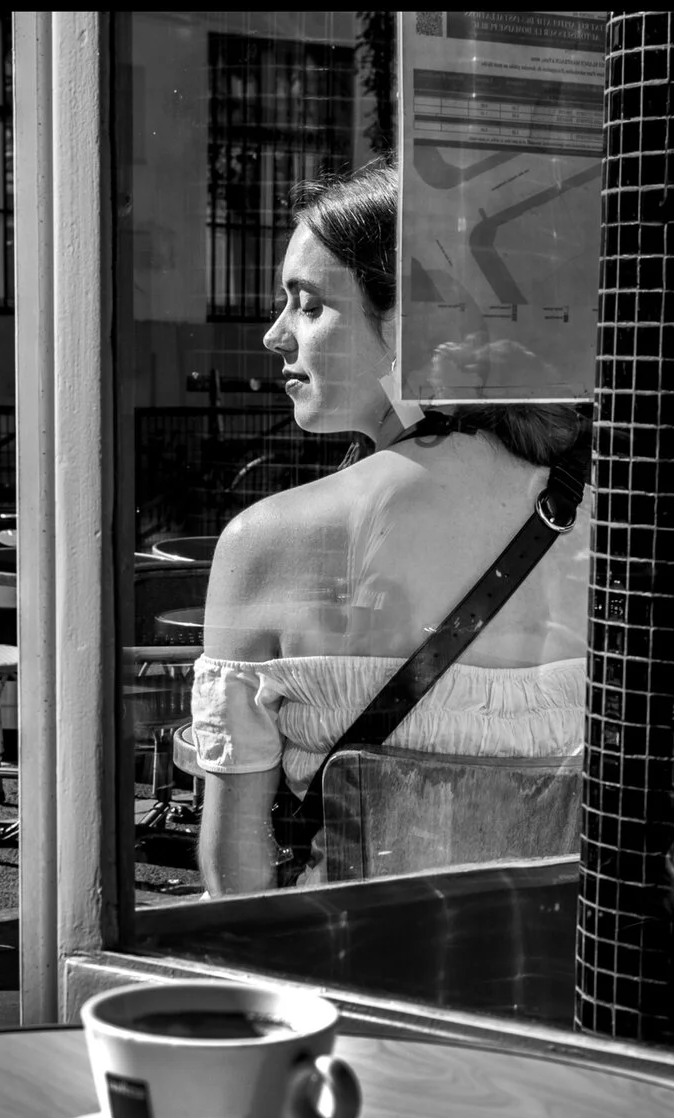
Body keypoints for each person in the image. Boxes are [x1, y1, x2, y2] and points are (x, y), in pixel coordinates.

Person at [190, 160, 590, 896]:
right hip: (551, 959)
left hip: (351, 960)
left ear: (410, 323)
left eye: (309, 306)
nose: (276, 335)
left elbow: (234, 877)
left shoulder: (266, 541)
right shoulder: (597, 508)